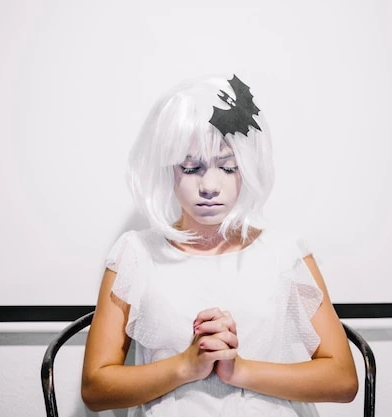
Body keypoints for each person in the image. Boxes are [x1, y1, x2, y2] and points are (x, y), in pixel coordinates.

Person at [81, 74, 358, 417]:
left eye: (228, 167)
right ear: (167, 168)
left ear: (249, 167)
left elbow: (343, 380)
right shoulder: (136, 253)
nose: (209, 185)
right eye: (191, 167)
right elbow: (95, 389)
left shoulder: (285, 253)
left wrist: (238, 370)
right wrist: (186, 366)